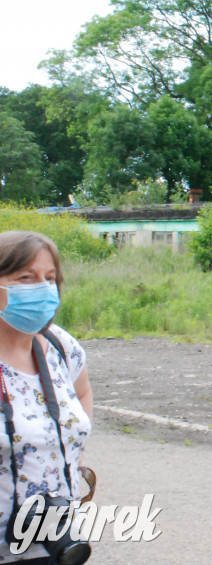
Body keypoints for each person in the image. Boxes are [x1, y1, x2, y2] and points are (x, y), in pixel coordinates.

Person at [0, 231, 94, 563]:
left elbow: (82, 392)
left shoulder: (60, 346)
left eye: (49, 278)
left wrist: (67, 446)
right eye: (25, 278)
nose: (42, 288)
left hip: (55, 543)